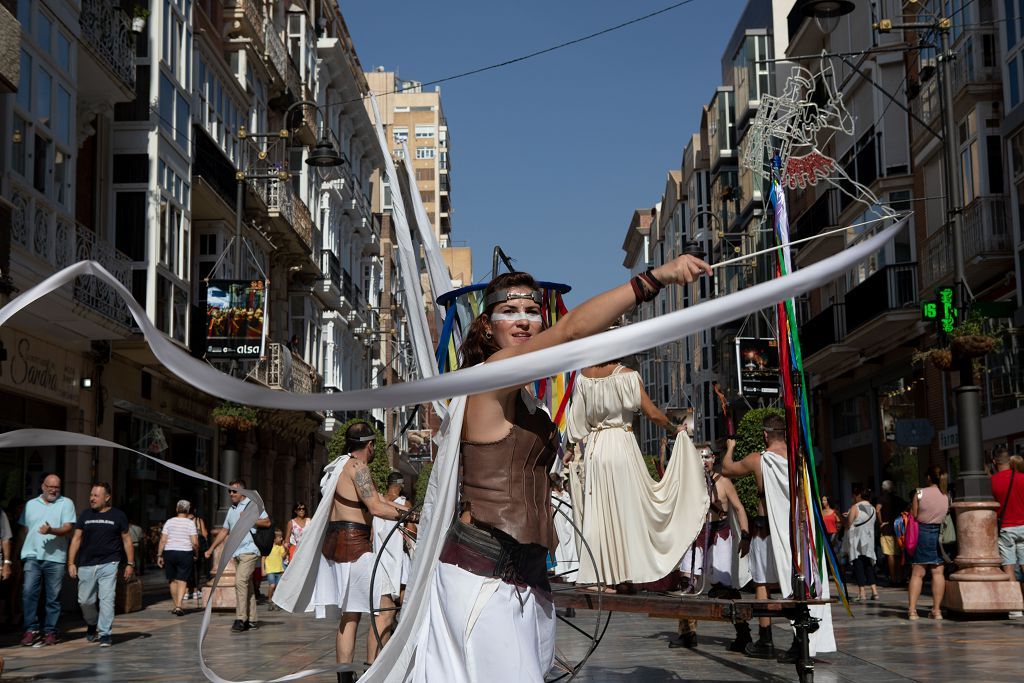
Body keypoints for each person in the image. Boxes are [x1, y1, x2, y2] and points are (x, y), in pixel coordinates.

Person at [411, 258, 710, 682]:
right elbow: (570, 333)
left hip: (530, 578)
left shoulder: (529, 401)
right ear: (486, 327)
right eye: (509, 312)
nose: (523, 320)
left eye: (533, 312)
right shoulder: (490, 377)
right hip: (485, 576)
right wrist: (654, 279)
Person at [565, 359, 706, 592]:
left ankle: (602, 575)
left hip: (596, 448)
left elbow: (576, 420)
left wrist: (570, 449)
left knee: (600, 511)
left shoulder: (584, 377)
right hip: (621, 444)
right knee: (627, 509)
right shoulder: (628, 375)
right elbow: (652, 413)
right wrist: (674, 429)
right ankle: (624, 573)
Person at [721, 416, 835, 663]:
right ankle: (799, 640)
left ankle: (766, 639)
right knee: (797, 583)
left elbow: (726, 469)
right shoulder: (800, 459)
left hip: (765, 530)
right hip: (796, 532)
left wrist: (730, 448)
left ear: (765, 435)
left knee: (762, 582)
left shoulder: (759, 460)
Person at [672, 444, 750, 651]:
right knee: (686, 584)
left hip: (719, 534)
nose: (704, 461)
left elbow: (739, 508)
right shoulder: (688, 483)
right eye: (699, 458)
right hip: (696, 534)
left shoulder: (723, 482)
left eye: (707, 457)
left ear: (713, 458)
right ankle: (687, 633)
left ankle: (744, 633)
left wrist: (745, 534)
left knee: (724, 589)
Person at [67, 483, 134, 647]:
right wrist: (71, 562)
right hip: (86, 563)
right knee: (85, 601)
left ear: (107, 497)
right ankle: (92, 623)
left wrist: (130, 563)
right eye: (91, 495)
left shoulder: (118, 515)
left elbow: (127, 540)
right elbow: (76, 539)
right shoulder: (85, 515)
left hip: (109, 563)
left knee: (107, 599)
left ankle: (105, 633)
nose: (92, 498)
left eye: (96, 495)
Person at [204, 480, 271, 632]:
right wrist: (211, 548)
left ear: (243, 492)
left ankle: (241, 619)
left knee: (240, 582)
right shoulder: (231, 510)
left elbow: (267, 522)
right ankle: (252, 620)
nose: (231, 494)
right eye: (229, 491)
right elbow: (224, 531)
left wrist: (250, 518)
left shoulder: (252, 505)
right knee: (247, 587)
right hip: (237, 552)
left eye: (234, 491)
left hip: (250, 550)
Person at [19, 473, 76, 647]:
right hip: (32, 556)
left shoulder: (66, 503)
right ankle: (31, 629)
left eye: (57, 487)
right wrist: (15, 556)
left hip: (56, 558)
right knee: (29, 593)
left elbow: (68, 528)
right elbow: (24, 530)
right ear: (42, 486)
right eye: (50, 486)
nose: (53, 490)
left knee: (53, 597)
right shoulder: (30, 505)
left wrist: (51, 530)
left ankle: (50, 631)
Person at [369, 471, 412, 664]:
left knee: (383, 614)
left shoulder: (376, 504)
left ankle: (379, 661)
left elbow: (372, 536)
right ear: (400, 485)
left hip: (381, 562)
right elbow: (412, 533)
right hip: (398, 564)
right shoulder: (404, 503)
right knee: (387, 614)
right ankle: (372, 664)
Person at [907, 465, 950, 620]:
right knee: (938, 572)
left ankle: (912, 611)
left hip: (923, 532)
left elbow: (915, 515)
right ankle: (936, 610)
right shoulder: (947, 495)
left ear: (929, 478)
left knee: (917, 573)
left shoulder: (919, 492)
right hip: (941, 535)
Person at [990, 447, 1024, 618]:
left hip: (1006, 528)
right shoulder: (1022, 478)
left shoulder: (992, 481)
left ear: (995, 462)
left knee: (1009, 567)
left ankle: (1015, 607)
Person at [157, 500, 198, 616]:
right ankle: (179, 605)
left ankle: (176, 605)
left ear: (176, 509)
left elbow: (163, 540)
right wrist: (196, 553)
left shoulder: (169, 522)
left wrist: (159, 555)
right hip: (185, 552)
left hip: (170, 552)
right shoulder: (190, 523)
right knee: (182, 579)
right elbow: (195, 542)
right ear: (188, 510)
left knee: (172, 580)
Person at [845, 485, 879, 602]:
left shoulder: (855, 507)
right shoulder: (873, 508)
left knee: (858, 565)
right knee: (868, 565)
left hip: (857, 539)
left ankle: (862, 592)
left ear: (858, 496)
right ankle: (874, 591)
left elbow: (849, 524)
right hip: (868, 540)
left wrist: (847, 516)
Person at [876, 480, 908, 586]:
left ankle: (893, 578)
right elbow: (907, 507)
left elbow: (877, 510)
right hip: (898, 529)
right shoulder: (898, 499)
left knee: (890, 554)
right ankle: (900, 577)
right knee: (898, 554)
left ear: (883, 488)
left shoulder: (882, 498)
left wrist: (881, 522)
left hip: (886, 529)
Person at [186, 509, 209, 600]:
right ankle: (195, 591)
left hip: (185, 548)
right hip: (197, 549)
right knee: (197, 570)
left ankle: (187, 591)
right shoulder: (198, 520)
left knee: (186, 570)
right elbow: (204, 534)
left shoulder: (182, 520)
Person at [263, 529, 286, 610]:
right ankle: (269, 599)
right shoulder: (268, 547)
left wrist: (285, 549)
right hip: (270, 570)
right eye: (280, 537)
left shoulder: (280, 547)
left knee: (278, 587)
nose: (281, 539)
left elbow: (283, 557)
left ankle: (276, 602)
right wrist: (263, 569)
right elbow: (263, 557)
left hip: (279, 569)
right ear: (274, 538)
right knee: (272, 585)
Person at [820, 495, 841, 560]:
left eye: (824, 500)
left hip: (833, 535)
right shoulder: (821, 512)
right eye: (822, 500)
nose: (823, 502)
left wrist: (837, 533)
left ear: (828, 501)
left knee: (833, 552)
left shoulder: (834, 512)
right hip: (824, 535)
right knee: (826, 553)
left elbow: (839, 523)